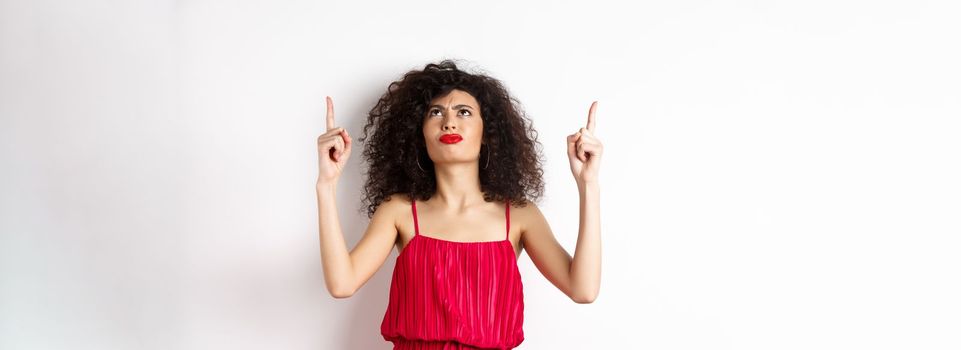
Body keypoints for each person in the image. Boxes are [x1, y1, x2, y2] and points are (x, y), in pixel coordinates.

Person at [316, 59, 602, 349]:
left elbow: (583, 289)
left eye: (463, 112)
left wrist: (587, 184)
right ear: (420, 134)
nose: (448, 122)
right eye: (435, 112)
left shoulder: (519, 216)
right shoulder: (399, 212)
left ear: (487, 134)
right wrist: (326, 185)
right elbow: (342, 284)